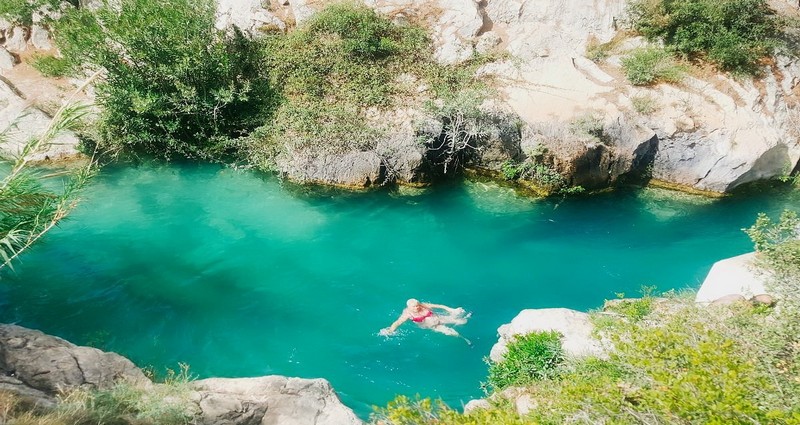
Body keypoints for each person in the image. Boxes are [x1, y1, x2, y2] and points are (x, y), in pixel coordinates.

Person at [380, 298, 471, 344]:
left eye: (417, 305)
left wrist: (451, 310)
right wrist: (391, 330)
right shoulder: (407, 314)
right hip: (434, 326)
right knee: (453, 333)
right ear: (409, 307)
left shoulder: (424, 306)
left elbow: (439, 306)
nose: (417, 307)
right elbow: (398, 322)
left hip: (440, 318)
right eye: (414, 307)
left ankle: (460, 315)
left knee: (463, 321)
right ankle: (466, 340)